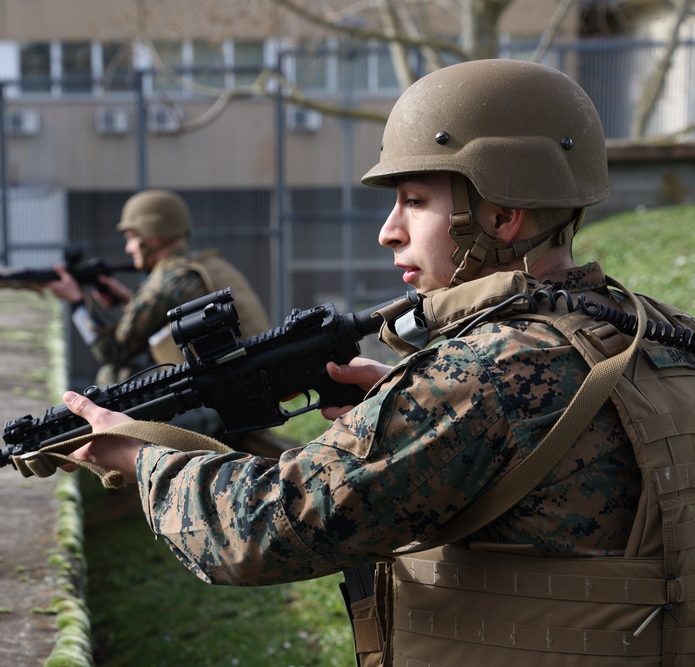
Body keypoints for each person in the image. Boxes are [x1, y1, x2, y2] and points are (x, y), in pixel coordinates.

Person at [52, 59, 695, 666]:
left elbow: (252, 533)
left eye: (415, 200)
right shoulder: (661, 332)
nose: (390, 230)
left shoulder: (479, 378)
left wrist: (139, 454)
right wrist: (406, 396)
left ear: (500, 216)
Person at [47, 189, 288, 453]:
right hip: (248, 392)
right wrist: (130, 302)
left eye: (131, 237)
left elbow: (110, 351)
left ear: (154, 236)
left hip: (219, 405)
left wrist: (78, 302)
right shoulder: (208, 265)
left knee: (114, 376)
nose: (128, 247)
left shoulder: (166, 281)